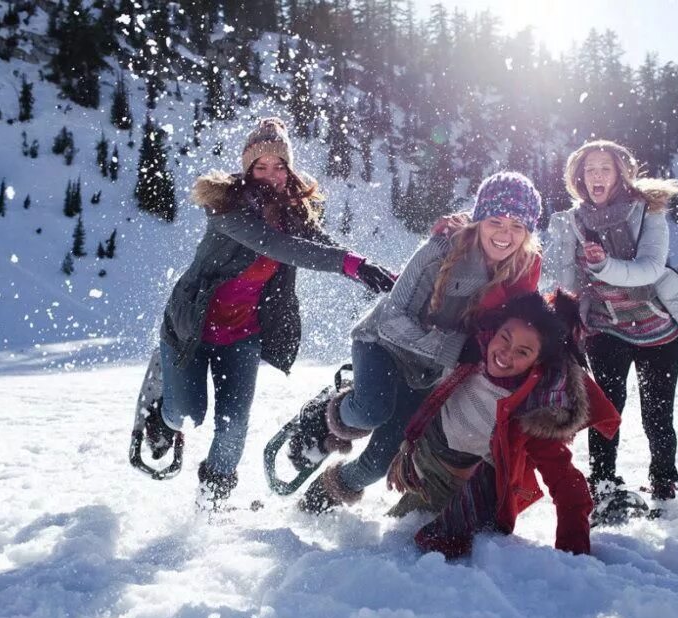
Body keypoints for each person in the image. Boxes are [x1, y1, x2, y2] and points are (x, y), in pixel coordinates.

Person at [141, 117, 396, 509]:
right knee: (186, 416)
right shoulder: (224, 208)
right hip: (190, 328)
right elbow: (281, 247)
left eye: (279, 166)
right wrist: (351, 264)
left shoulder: (291, 211)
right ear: (246, 170)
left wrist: (372, 271)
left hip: (242, 335)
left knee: (233, 427)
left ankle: (212, 504)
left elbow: (318, 242)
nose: (270, 175)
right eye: (260, 167)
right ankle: (162, 407)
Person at [295, 171, 545, 514]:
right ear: (479, 219)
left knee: (382, 460)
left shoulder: (521, 267)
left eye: (518, 227)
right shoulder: (441, 250)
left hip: (427, 372)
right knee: (372, 410)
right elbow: (391, 320)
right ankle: (324, 412)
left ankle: (331, 490)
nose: (505, 235)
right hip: (382, 346)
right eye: (496, 222)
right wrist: (458, 348)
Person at [542, 139, 678, 505]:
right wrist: (562, 249)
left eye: (605, 168)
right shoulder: (571, 222)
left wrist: (603, 266)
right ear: (579, 177)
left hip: (656, 331)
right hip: (605, 329)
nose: (596, 175)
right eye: (590, 169)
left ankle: (663, 483)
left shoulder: (647, 211)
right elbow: (566, 283)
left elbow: (650, 268)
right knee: (605, 411)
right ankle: (603, 485)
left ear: (620, 174)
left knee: (658, 415)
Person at [385, 291, 621, 558]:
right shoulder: (468, 349)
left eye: (523, 352)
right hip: (418, 453)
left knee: (401, 547)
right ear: (495, 330)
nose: (506, 354)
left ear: (538, 362)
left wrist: (574, 555)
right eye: (505, 338)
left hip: (452, 489)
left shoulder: (532, 409)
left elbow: (569, 486)